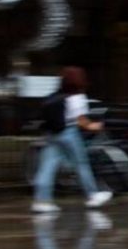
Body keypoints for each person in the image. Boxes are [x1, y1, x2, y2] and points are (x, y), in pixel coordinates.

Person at [31, 66, 113, 212]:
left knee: (48, 166)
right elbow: (82, 122)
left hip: (52, 133)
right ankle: (92, 195)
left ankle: (41, 201)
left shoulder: (56, 96)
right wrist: (96, 126)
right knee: (81, 164)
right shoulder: (78, 97)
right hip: (69, 133)